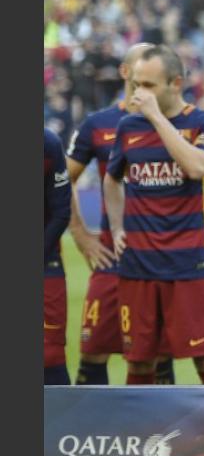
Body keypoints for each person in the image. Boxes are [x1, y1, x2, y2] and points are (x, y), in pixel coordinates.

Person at [103, 44, 204, 385]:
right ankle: (138, 437)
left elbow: (199, 166)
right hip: (137, 266)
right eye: (136, 84)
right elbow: (111, 179)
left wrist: (157, 117)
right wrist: (116, 227)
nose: (138, 93)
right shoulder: (128, 127)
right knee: (140, 363)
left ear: (176, 83)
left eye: (148, 85)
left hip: (187, 265)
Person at [65, 42, 179, 385]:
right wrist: (82, 235)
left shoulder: (176, 121)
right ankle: (93, 434)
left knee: (158, 353)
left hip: (162, 258)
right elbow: (60, 179)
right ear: (125, 71)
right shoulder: (98, 124)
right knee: (93, 350)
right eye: (140, 67)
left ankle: (162, 435)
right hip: (112, 256)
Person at [44, 127, 72, 385]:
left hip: (45, 263)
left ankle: (62, 426)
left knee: (50, 356)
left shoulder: (48, 143)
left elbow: (62, 212)